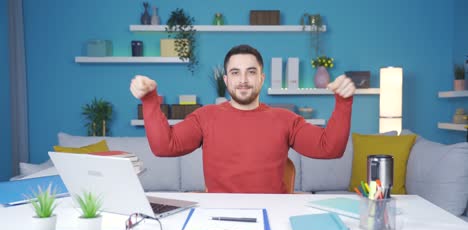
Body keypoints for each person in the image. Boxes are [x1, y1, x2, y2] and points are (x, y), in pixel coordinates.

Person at [130, 44, 355, 194]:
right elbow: (164, 147)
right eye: (236, 73)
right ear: (227, 80)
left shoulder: (285, 119)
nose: (244, 80)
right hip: (219, 217)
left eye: (251, 72)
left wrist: (344, 102)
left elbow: (330, 148)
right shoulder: (205, 117)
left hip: (275, 214)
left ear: (261, 78)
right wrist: (150, 100)